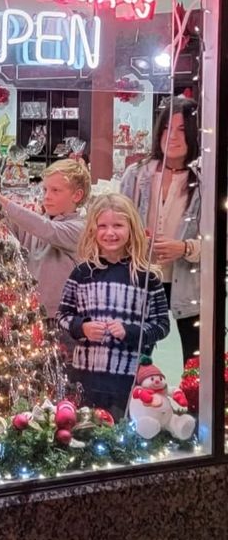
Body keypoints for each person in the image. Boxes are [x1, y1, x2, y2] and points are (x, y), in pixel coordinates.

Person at [57, 193, 170, 419]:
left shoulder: (147, 277)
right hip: (86, 375)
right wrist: (82, 327)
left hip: (129, 377)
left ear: (131, 229)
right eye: (103, 226)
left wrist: (130, 332)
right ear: (92, 231)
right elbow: (63, 315)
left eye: (118, 225)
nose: (110, 233)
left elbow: (161, 325)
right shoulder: (82, 273)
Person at [120, 96, 201, 364]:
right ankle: (133, 406)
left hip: (190, 285)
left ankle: (198, 405)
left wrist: (185, 248)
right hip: (141, 279)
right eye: (167, 128)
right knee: (135, 358)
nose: (173, 137)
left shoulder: (205, 179)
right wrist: (133, 237)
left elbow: (219, 240)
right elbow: (117, 223)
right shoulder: (137, 174)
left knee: (196, 361)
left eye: (182, 129)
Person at [0, 158, 90, 350]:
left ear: (77, 195)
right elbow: (18, 226)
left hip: (63, 320)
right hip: (33, 314)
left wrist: (4, 202)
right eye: (45, 190)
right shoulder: (38, 222)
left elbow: (49, 230)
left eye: (56, 191)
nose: (47, 196)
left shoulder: (80, 228)